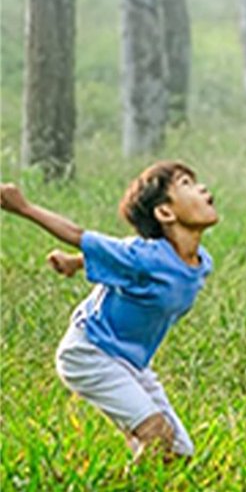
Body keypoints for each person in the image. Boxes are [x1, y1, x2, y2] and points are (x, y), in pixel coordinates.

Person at [0, 161, 217, 461]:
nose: (202, 188)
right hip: (90, 352)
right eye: (186, 184)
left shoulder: (201, 262)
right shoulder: (143, 256)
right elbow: (79, 235)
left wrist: (75, 263)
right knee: (156, 434)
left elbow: (121, 265)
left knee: (179, 453)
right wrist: (24, 207)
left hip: (132, 363)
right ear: (165, 212)